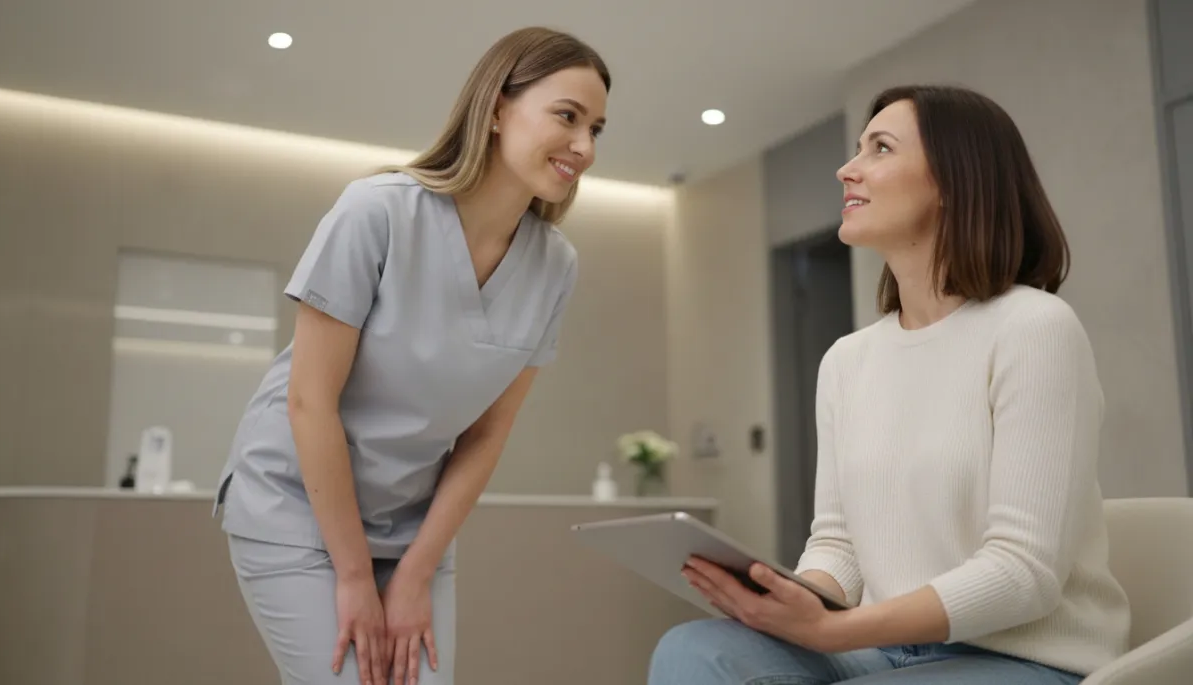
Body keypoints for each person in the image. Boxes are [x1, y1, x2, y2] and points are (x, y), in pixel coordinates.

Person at [648, 84, 1132, 684]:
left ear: (956, 182)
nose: (847, 169)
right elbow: (839, 547)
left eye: (879, 148)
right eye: (858, 148)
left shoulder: (1033, 328)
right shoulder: (848, 361)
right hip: (887, 650)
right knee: (694, 651)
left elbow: (1022, 574)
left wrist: (835, 631)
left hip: (1022, 658)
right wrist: (790, 603)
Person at [212, 26, 610, 685]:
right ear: (496, 108)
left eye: (596, 127)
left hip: (412, 531)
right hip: (295, 506)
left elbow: (487, 434)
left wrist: (416, 570)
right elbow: (310, 400)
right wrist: (351, 575)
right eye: (567, 117)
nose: (584, 147)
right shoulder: (378, 211)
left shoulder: (555, 266)